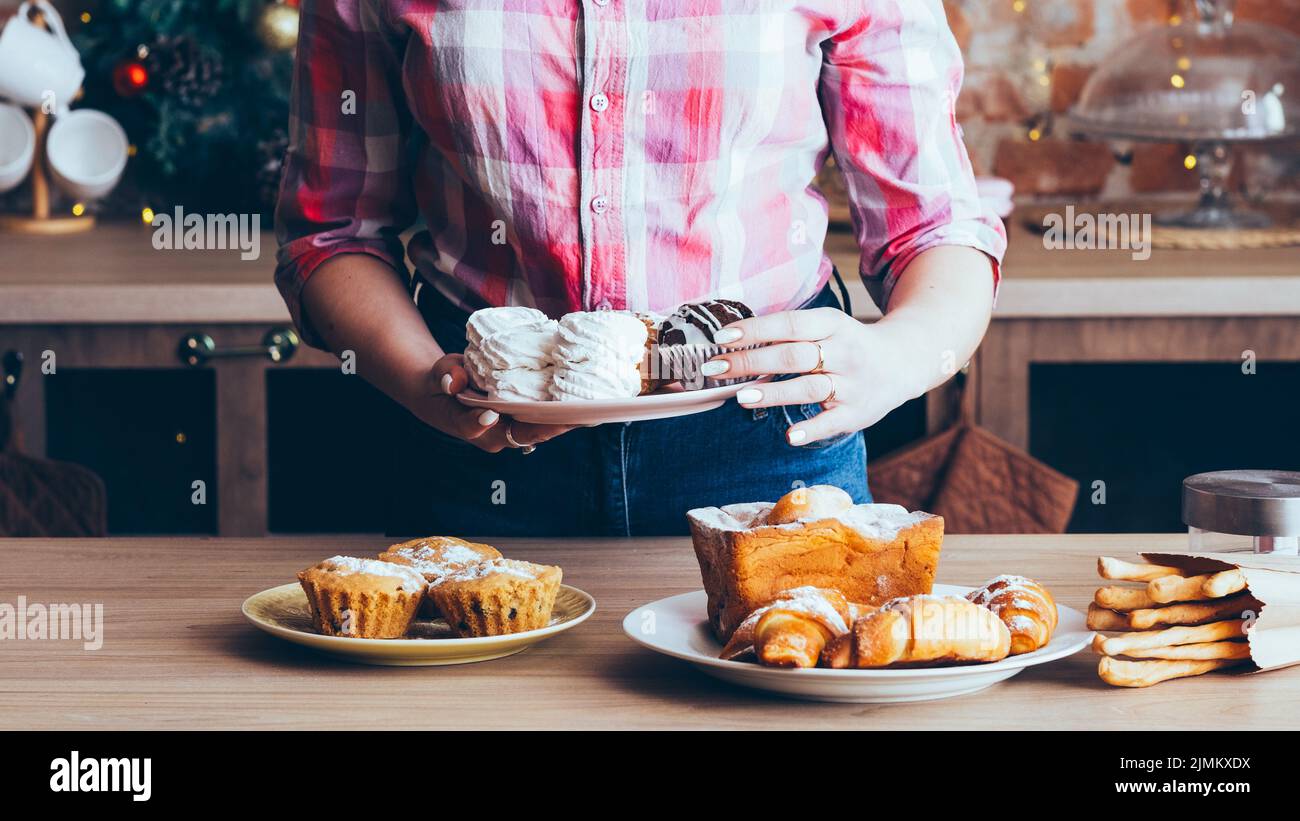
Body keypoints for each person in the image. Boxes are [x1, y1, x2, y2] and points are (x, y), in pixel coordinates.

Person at [275, 1, 1006, 536]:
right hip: (473, 435)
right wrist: (420, 379)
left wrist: (900, 355)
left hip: (766, 442)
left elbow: (937, 227)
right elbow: (332, 231)